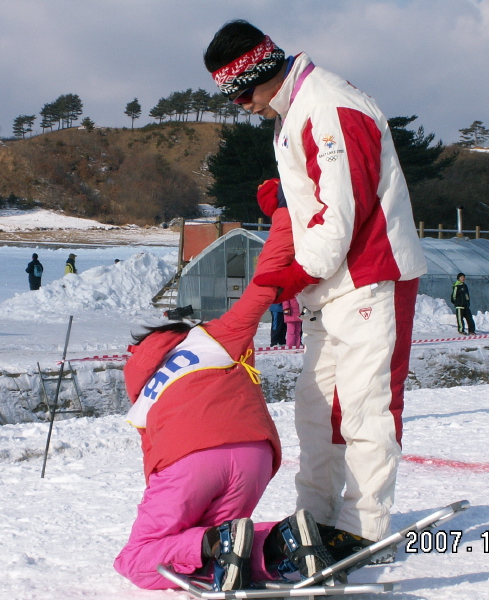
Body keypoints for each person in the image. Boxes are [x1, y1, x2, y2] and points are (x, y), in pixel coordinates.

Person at [205, 21, 427, 563]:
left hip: (369, 273)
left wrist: (295, 272)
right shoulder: (294, 109)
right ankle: (317, 515)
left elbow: (344, 210)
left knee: (362, 408)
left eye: (243, 93)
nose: (242, 106)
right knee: (315, 407)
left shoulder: (329, 105)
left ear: (263, 72)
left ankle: (361, 529)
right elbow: (325, 190)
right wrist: (288, 197)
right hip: (332, 285)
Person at [114, 204, 332, 591]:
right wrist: (285, 215)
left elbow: (156, 458)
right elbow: (263, 286)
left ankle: (224, 542)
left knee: (137, 559)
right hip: (255, 458)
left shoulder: (142, 391)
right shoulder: (214, 336)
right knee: (229, 551)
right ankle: (283, 544)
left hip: (188, 462)